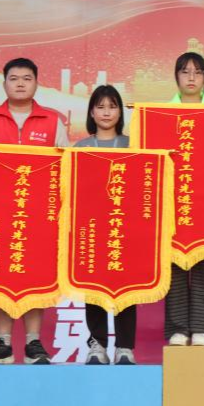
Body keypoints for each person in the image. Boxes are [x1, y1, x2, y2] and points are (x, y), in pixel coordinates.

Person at [0, 58, 70, 365]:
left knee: (36, 274)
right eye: (13, 78)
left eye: (26, 78)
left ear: (36, 84)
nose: (19, 84)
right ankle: (2, 343)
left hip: (40, 214)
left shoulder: (52, 121)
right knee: (0, 274)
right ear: (4, 83)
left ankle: (33, 342)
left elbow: (67, 166)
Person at [76, 85, 139, 365]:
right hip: (91, 229)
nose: (106, 112)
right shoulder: (80, 147)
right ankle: (97, 345)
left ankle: (125, 347)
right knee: (93, 289)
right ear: (91, 112)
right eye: (100, 107)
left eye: (112, 106)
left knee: (127, 289)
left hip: (125, 229)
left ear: (120, 112)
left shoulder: (133, 145)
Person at [165, 52, 204, 346]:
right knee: (174, 267)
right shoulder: (160, 115)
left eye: (197, 72)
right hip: (174, 203)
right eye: (185, 72)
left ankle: (201, 328)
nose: (191, 78)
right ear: (176, 76)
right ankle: (177, 328)